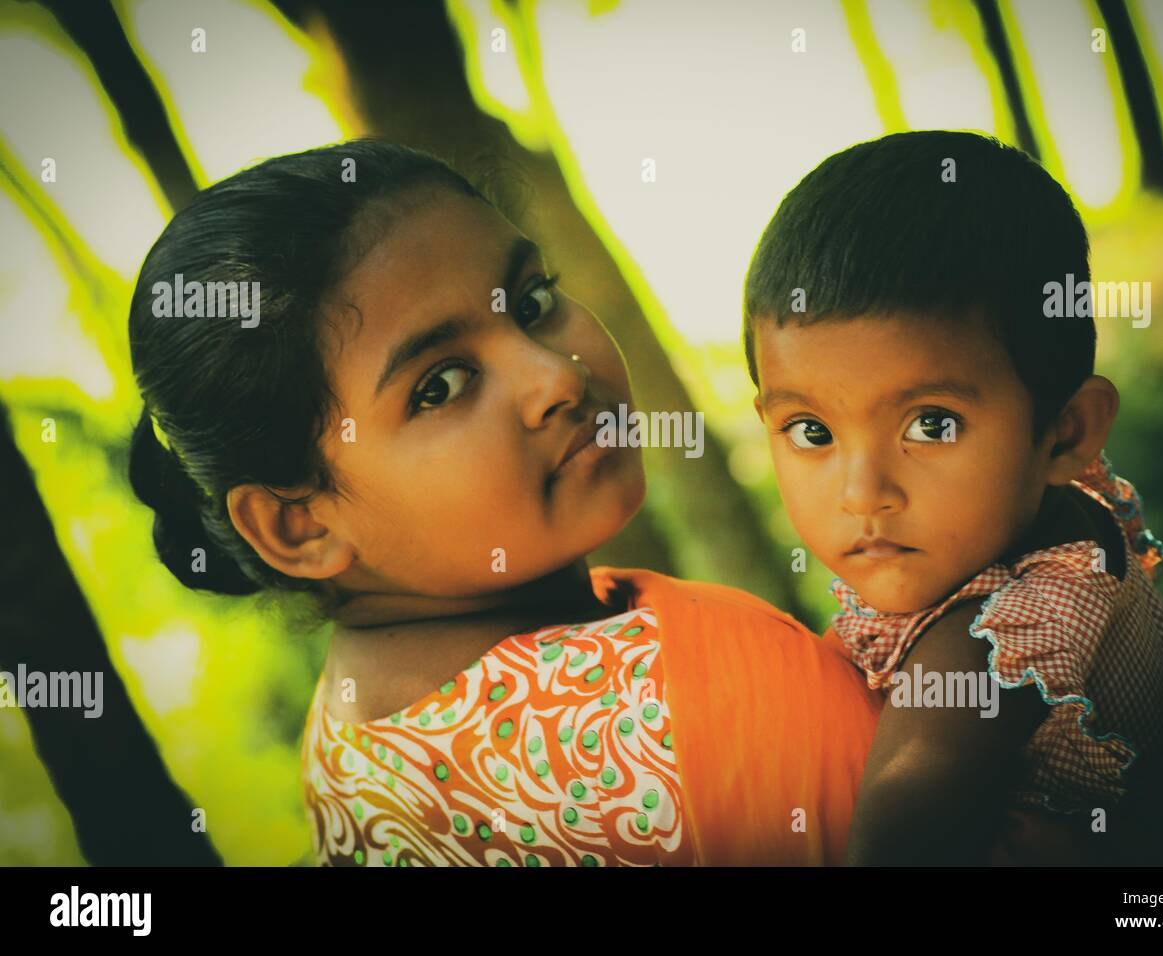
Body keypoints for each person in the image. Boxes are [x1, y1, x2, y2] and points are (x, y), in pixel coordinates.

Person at [126, 139, 878, 866]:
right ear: (299, 524)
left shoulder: (344, 732)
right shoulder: (720, 690)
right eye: (440, 386)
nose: (555, 377)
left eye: (532, 301)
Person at [743, 131, 1163, 865]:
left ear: (1066, 433)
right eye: (811, 430)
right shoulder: (1060, 521)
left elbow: (888, 845)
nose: (862, 492)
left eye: (931, 424)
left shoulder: (987, 646)